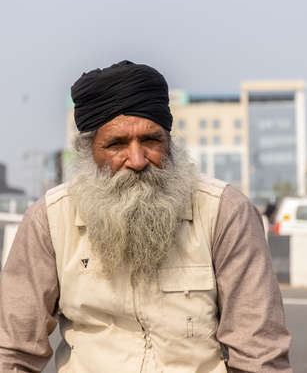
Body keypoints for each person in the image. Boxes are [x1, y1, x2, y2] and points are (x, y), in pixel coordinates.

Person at [0, 61, 291, 372]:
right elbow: (13, 353)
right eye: (117, 144)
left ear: (170, 142)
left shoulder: (225, 212)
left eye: (151, 140)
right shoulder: (50, 220)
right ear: (88, 151)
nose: (138, 160)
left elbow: (260, 356)